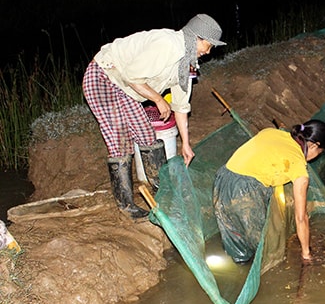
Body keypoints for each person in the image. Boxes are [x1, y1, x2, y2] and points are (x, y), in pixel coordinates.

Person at [83, 14, 226, 219]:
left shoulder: (188, 61)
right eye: (209, 45)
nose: (209, 51)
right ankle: (126, 207)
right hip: (105, 75)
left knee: (147, 135)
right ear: (197, 37)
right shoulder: (168, 45)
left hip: (129, 86)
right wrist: (158, 99)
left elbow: (180, 105)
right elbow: (133, 77)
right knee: (120, 142)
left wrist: (185, 144)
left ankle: (163, 194)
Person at [213, 119, 325, 264]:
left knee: (233, 234)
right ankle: (249, 273)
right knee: (261, 246)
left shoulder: (270, 132)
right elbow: (301, 218)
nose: (317, 156)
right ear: (314, 145)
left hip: (223, 177)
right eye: (319, 152)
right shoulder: (298, 167)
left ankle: (237, 265)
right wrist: (306, 253)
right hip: (244, 190)